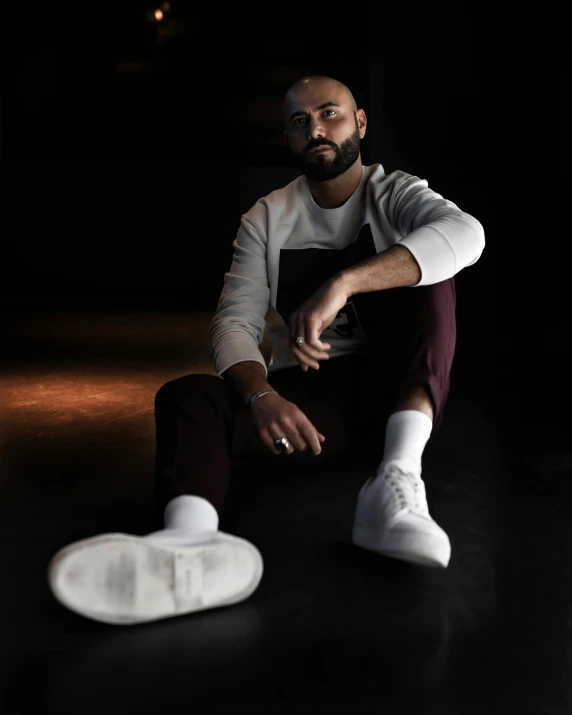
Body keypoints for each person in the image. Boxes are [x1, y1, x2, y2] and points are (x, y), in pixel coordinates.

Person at [47, 75, 485, 626]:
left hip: (395, 400)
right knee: (188, 397)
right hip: (307, 417)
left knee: (434, 278)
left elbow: (467, 234)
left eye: (330, 114)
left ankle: (395, 482)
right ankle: (190, 543)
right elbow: (232, 324)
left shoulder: (393, 192)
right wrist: (261, 396)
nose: (316, 129)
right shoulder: (266, 218)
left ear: (361, 124)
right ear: (288, 137)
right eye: (300, 121)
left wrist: (344, 283)